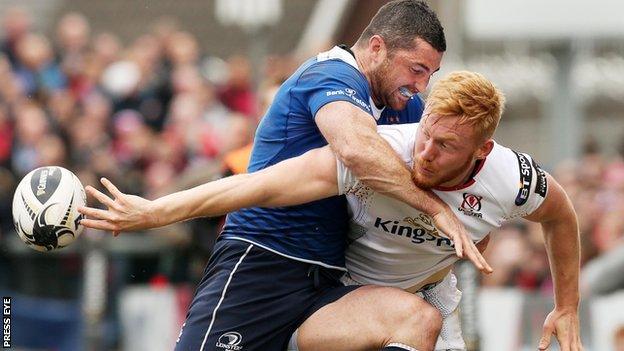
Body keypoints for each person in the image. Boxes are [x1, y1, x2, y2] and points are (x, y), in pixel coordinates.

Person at [82, 1, 491, 350]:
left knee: (415, 320)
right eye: (416, 69)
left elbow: (461, 185)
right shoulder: (332, 74)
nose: (421, 86)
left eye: (430, 75)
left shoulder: (405, 105)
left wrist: (474, 217)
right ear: (378, 48)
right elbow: (356, 150)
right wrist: (435, 211)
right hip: (263, 263)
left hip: (333, 277)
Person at [81, 71, 583, 351]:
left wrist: (566, 305)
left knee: (421, 320)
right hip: (333, 299)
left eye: (446, 146)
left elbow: (562, 218)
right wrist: (155, 212)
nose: (426, 151)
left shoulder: (513, 178)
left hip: (422, 300)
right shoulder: (378, 153)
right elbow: (255, 186)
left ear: (482, 149)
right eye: (425, 132)